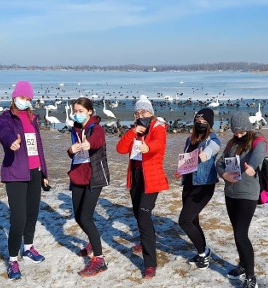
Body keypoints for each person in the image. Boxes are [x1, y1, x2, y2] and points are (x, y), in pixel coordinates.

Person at [0, 80, 49, 280]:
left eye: (28, 98)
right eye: (22, 97)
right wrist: (11, 142)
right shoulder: (5, 118)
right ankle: (12, 260)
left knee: (32, 214)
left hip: (34, 172)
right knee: (18, 219)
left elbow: (39, 146)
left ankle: (28, 248)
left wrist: (44, 171)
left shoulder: (33, 118)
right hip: (16, 173)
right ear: (14, 97)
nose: (24, 101)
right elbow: (4, 133)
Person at [116, 95, 169, 279]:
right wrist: (132, 132)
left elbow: (158, 143)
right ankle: (145, 242)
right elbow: (121, 149)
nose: (141, 114)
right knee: (138, 214)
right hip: (136, 177)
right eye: (138, 112)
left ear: (151, 113)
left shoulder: (158, 127)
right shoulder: (136, 130)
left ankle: (150, 264)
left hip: (151, 178)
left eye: (144, 111)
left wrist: (148, 148)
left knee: (144, 216)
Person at [215, 112, 265, 288]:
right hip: (230, 192)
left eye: (242, 131)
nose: (238, 134)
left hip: (247, 194)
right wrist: (224, 174)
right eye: (235, 131)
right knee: (237, 232)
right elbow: (219, 163)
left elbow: (258, 155)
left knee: (240, 234)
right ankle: (242, 265)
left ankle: (251, 277)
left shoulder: (257, 141)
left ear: (248, 129)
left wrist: (251, 168)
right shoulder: (232, 143)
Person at [67, 97, 110, 277]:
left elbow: (98, 140)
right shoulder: (75, 129)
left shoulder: (96, 128)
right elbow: (73, 154)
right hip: (78, 176)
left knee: (86, 217)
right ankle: (92, 243)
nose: (77, 114)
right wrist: (71, 150)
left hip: (94, 178)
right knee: (78, 216)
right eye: (75, 111)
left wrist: (88, 143)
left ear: (90, 112)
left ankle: (99, 260)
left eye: (80, 111)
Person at [173, 108, 220, 270]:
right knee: (193, 220)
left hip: (204, 186)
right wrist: (180, 171)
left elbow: (214, 148)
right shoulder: (189, 140)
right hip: (188, 184)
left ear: (209, 124)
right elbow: (187, 160)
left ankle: (203, 253)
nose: (200, 124)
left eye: (203, 122)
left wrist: (205, 155)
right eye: (197, 122)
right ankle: (202, 252)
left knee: (184, 220)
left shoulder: (213, 139)